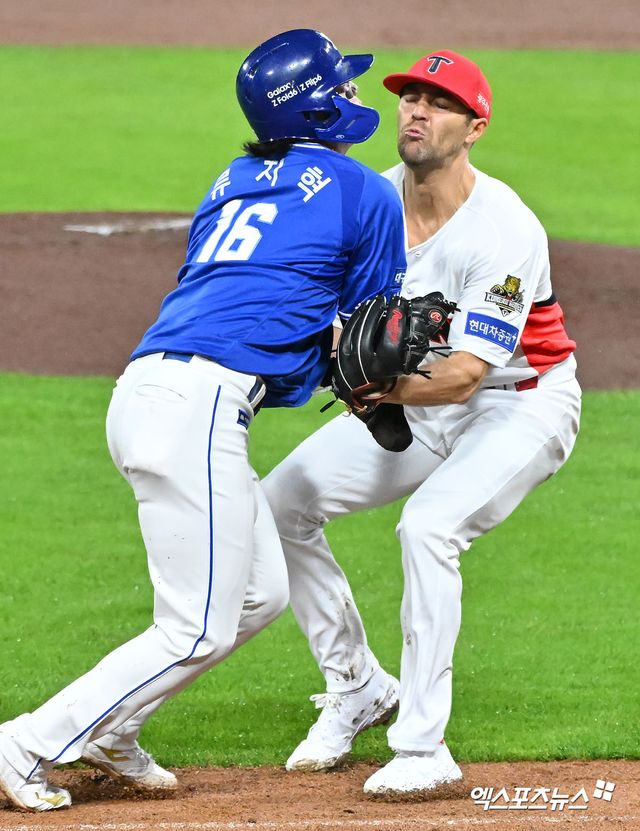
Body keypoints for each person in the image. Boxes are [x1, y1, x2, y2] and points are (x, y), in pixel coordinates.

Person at [0, 29, 408, 812]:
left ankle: (115, 730)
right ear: (316, 104)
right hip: (201, 407)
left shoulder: (232, 178)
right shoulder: (365, 192)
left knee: (260, 593)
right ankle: (27, 743)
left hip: (145, 393)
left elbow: (260, 299)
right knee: (196, 628)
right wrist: (376, 392)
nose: (355, 96)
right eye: (342, 85)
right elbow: (375, 333)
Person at [263, 49, 581, 797]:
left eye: (437, 102)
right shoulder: (373, 202)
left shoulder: (501, 228)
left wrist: (375, 386)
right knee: (281, 504)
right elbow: (334, 317)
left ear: (474, 127)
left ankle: (422, 745)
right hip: (417, 399)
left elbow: (469, 373)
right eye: (409, 96)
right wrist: (340, 361)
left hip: (519, 403)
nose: (414, 110)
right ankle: (357, 687)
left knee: (429, 527)